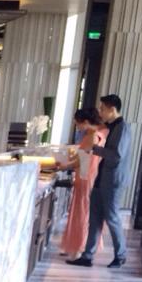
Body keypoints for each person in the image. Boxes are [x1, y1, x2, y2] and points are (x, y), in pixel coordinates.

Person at [67, 94, 132, 268]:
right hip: (101, 178)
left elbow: (116, 156)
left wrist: (94, 148)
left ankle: (121, 255)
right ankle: (87, 256)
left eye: (103, 109)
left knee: (112, 217)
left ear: (112, 109)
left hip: (113, 181)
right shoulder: (110, 127)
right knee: (94, 219)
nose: (100, 112)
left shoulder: (122, 128)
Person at [58, 108, 108, 259]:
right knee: (83, 210)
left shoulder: (91, 136)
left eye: (78, 124)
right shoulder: (100, 134)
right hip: (89, 175)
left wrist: (63, 166)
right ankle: (76, 246)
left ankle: (78, 247)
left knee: (81, 212)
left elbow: (82, 160)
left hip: (86, 176)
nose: (77, 127)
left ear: (85, 122)